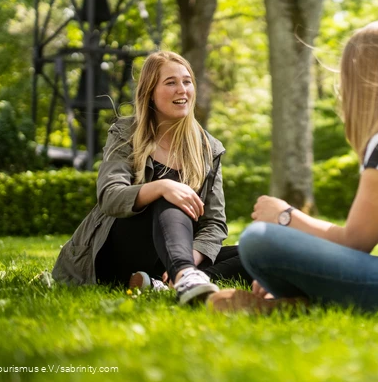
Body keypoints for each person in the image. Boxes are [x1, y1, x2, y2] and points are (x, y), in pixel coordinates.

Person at [209, 21, 378, 317]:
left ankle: (297, 304)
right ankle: (296, 305)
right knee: (269, 242)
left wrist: (285, 216)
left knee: (257, 239)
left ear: (358, 78)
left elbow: (356, 242)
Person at [52, 51, 251, 304]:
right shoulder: (126, 132)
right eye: (171, 83)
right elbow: (109, 196)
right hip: (115, 254)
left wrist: (192, 255)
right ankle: (185, 275)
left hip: (170, 255)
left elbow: (214, 223)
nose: (182, 90)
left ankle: (172, 282)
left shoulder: (208, 147)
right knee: (170, 194)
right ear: (150, 93)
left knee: (258, 252)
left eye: (187, 81)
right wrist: (162, 186)